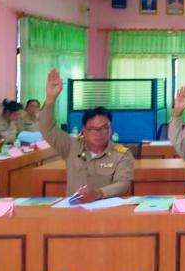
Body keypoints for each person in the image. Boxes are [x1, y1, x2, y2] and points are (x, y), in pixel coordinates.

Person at [40, 68, 133, 202]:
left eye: (104, 128)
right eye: (93, 129)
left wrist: (98, 193)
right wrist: (50, 99)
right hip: (75, 208)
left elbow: (123, 184)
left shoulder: (122, 154)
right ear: (84, 130)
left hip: (106, 208)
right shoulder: (71, 146)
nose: (99, 133)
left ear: (110, 129)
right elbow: (48, 129)